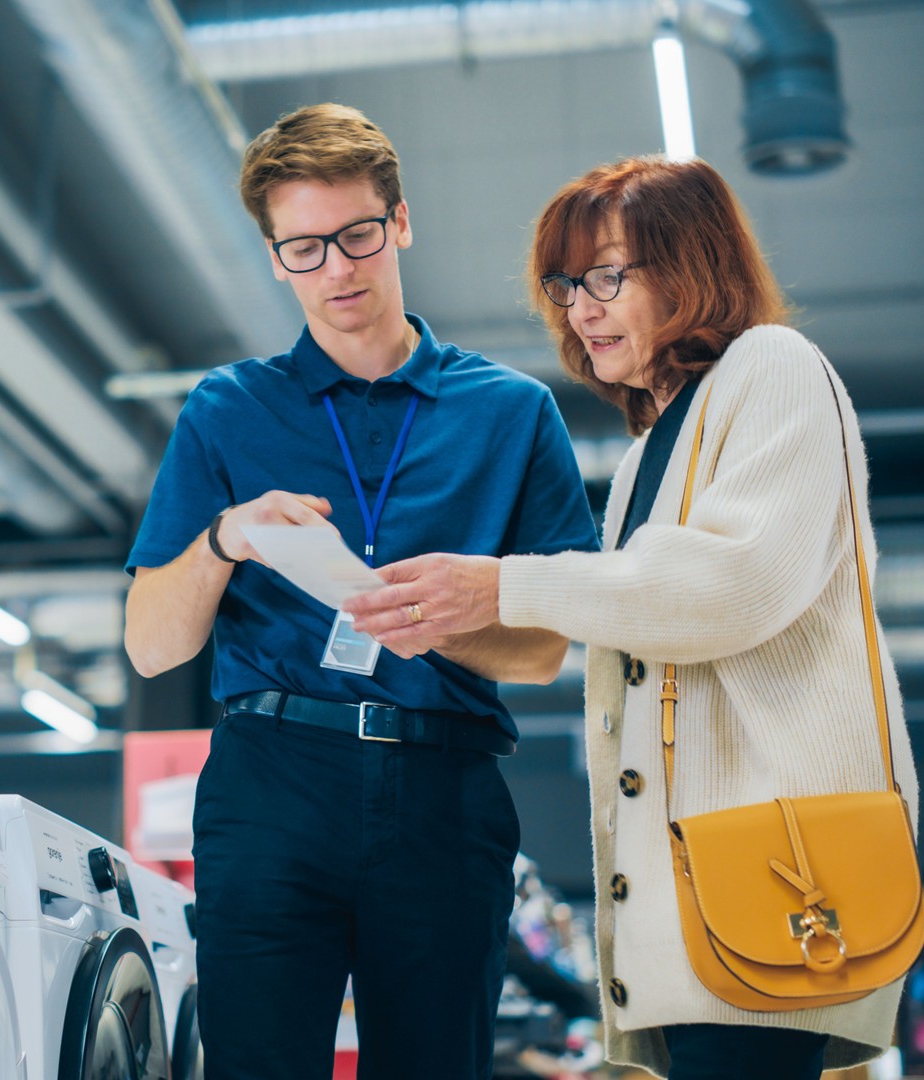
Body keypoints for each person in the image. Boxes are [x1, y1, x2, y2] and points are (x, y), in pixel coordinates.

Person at [341, 156, 921, 1080]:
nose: (581, 308)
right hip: (711, 900)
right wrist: (448, 617)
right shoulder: (656, 442)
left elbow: (733, 586)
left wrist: (504, 584)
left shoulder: (773, 367)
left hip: (775, 876)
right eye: (566, 285)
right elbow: (646, 611)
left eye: (608, 276)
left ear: (693, 268)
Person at [122, 103, 600, 1079]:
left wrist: (446, 622)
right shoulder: (227, 410)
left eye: (356, 236)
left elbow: (546, 651)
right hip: (271, 780)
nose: (336, 269)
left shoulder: (512, 415)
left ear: (402, 223)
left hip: (444, 787)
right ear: (274, 257)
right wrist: (226, 537)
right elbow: (151, 647)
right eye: (303, 248)